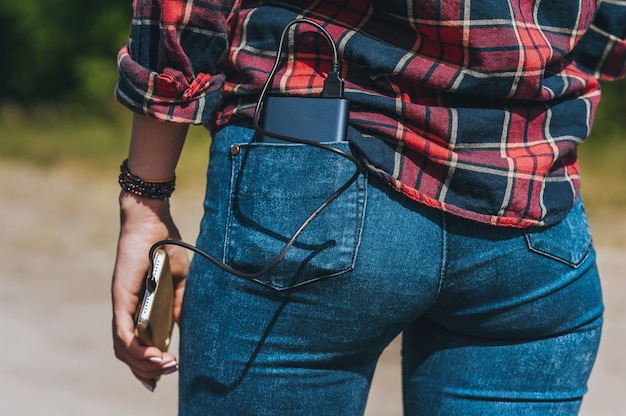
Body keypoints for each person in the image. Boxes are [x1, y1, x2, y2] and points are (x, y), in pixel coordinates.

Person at [111, 1, 625, 414]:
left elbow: (184, 12)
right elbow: (612, 29)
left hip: (311, 176)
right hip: (530, 197)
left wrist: (145, 197)